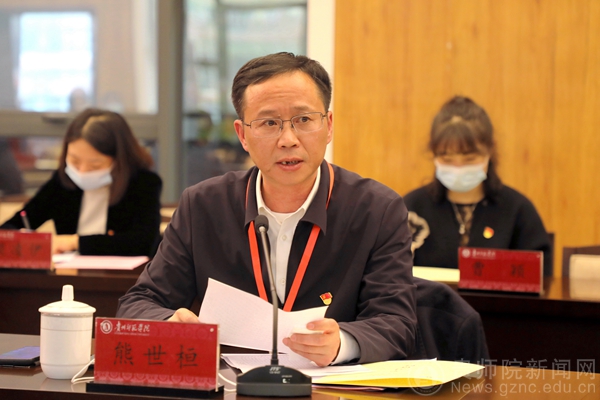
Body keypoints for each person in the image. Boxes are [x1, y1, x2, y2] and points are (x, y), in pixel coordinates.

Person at [117, 52, 417, 367]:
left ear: (328, 126)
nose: (288, 140)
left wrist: (343, 342)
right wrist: (168, 323)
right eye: (269, 123)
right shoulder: (203, 206)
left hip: (331, 384)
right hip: (229, 383)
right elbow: (139, 303)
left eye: (304, 120)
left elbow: (397, 322)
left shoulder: (377, 210)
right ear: (242, 135)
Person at [404, 96, 553, 276]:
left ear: (489, 152)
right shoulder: (412, 207)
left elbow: (540, 274)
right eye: (447, 159)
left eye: (469, 159)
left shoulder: (517, 209)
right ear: (434, 155)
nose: (458, 168)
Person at [1, 108, 162, 257]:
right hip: (69, 272)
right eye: (75, 161)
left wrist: (74, 242)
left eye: (95, 166)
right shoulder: (62, 181)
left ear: (119, 160)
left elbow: (143, 243)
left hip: (123, 276)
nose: (82, 172)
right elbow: (11, 227)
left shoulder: (144, 183)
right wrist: (23, 238)